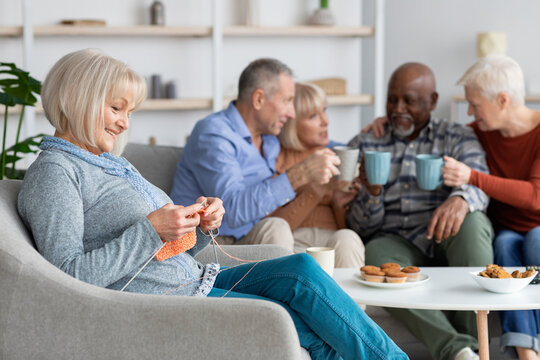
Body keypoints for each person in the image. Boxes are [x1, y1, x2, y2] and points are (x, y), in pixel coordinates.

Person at [17, 49, 409, 360]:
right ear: (76, 99)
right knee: (302, 326)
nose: (123, 123)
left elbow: (161, 249)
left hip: (193, 276)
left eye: (129, 112)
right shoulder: (55, 174)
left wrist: (200, 229)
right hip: (168, 299)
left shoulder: (109, 162)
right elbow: (67, 277)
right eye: (116, 108)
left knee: (301, 269)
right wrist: (151, 230)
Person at [347, 62, 494, 360]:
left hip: (446, 235)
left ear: (433, 101)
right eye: (392, 99)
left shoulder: (455, 136)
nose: (398, 108)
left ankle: (476, 344)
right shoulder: (366, 142)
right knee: (375, 255)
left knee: (473, 223)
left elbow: (479, 179)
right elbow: (360, 226)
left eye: (409, 101)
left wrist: (461, 200)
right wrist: (372, 195)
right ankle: (459, 351)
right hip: (395, 239)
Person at [170, 58, 341, 251]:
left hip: (253, 235)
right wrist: (299, 174)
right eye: (287, 101)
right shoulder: (213, 135)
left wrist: (372, 135)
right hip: (213, 242)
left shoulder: (270, 137)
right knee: (277, 228)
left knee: (342, 241)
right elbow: (231, 211)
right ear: (258, 99)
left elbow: (320, 142)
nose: (292, 113)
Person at [442, 55, 540, 360]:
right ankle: (526, 352)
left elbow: (536, 197)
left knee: (537, 238)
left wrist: (472, 176)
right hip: (506, 230)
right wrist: (384, 122)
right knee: (505, 243)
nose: (470, 112)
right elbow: (436, 133)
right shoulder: (482, 130)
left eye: (475, 104)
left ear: (502, 100)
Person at [268, 82, 365, 268]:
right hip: (294, 239)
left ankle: (352, 299)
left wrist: (338, 204)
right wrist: (317, 191)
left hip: (332, 238)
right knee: (280, 242)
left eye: (324, 111)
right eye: (313, 116)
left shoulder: (337, 155)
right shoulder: (276, 159)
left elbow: (342, 227)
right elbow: (275, 227)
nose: (325, 121)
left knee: (347, 238)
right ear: (292, 124)